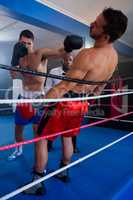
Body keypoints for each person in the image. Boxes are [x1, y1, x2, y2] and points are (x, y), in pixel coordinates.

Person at [19, 8, 128, 195]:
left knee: (41, 138)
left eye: (97, 23)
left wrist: (41, 101)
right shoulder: (114, 56)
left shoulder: (87, 55)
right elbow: (100, 86)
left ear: (106, 34)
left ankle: (37, 182)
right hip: (82, 103)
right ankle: (63, 171)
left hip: (65, 103)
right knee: (68, 137)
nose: (91, 23)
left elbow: (63, 87)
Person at [8, 30, 48, 160]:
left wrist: (30, 54)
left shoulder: (41, 56)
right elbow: (14, 77)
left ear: (33, 43)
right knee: (18, 130)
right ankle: (18, 149)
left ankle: (39, 162)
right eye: (23, 43)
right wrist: (13, 68)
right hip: (24, 98)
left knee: (38, 133)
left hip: (38, 99)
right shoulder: (20, 58)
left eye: (28, 43)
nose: (25, 46)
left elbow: (40, 79)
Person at [45, 54, 80, 153]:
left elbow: (79, 88)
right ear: (62, 60)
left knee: (72, 125)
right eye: (66, 59)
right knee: (51, 124)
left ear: (73, 61)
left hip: (71, 102)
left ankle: (73, 146)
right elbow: (47, 86)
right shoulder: (53, 71)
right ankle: (49, 144)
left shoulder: (77, 73)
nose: (68, 61)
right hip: (55, 101)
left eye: (70, 59)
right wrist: (49, 99)